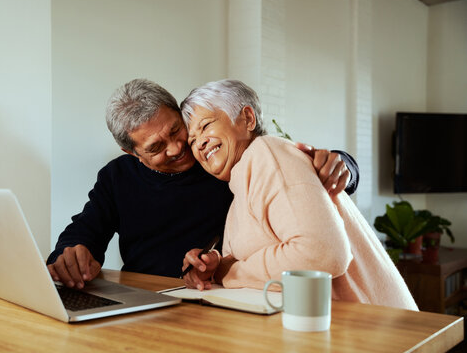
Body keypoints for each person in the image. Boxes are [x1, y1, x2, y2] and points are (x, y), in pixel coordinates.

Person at [46, 79, 359, 290]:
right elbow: (85, 229)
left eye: (177, 130)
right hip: (144, 295)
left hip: (216, 295)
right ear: (132, 152)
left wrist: (344, 165)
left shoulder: (220, 161)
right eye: (155, 148)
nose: (177, 148)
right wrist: (71, 254)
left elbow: (286, 161)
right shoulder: (117, 177)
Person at [180, 79, 417, 311]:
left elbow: (323, 253)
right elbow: (249, 258)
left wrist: (231, 272)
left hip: (372, 330)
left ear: (248, 118)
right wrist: (214, 265)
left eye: (206, 126)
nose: (200, 142)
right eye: (192, 140)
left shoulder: (267, 154)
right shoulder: (238, 192)